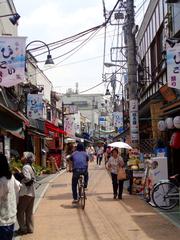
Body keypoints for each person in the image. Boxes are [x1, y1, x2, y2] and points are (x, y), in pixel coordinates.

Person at [0, 153, 21, 240]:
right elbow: (18, 187)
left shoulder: (1, 180)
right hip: (11, 217)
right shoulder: (11, 177)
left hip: (2, 220)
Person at [15, 152, 36, 235]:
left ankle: (22, 229)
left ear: (27, 158)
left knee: (20, 211)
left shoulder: (25, 167)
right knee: (29, 212)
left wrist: (20, 176)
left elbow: (27, 178)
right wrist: (21, 173)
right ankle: (30, 228)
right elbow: (32, 178)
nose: (21, 157)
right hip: (32, 192)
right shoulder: (31, 166)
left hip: (25, 193)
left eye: (23, 156)